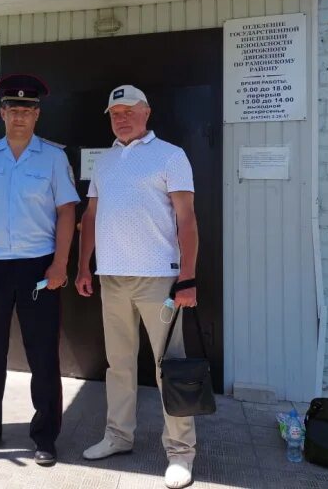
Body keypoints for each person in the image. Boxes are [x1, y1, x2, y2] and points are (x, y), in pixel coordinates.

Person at [76, 85, 199, 489]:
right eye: (114, 113)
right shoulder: (106, 161)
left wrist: (188, 277)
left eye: (129, 110)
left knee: (171, 368)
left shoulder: (170, 155)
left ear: (147, 112)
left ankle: (180, 453)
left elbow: (187, 220)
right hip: (111, 277)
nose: (121, 118)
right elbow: (90, 217)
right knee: (119, 365)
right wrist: (83, 266)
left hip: (159, 278)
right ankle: (118, 436)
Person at [0, 74, 79, 466]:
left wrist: (61, 263)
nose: (20, 116)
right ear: (2, 112)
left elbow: (66, 211)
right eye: (13, 109)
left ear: (37, 114)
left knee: (42, 353)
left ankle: (44, 436)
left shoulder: (53, 158)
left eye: (27, 109)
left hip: (37, 267)